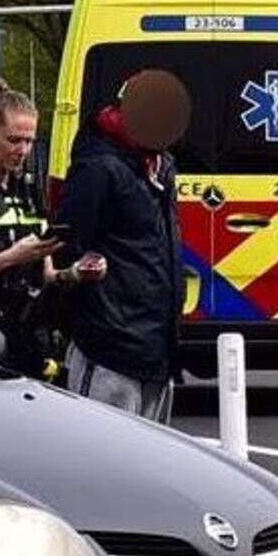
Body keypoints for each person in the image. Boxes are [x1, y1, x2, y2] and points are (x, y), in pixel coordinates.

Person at [54, 65, 188, 420]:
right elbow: (68, 243)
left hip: (156, 346)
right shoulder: (99, 167)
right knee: (98, 459)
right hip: (110, 347)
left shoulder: (160, 165)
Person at [0, 79, 78, 371]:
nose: (23, 150)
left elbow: (46, 275)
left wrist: (75, 274)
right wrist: (11, 257)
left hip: (30, 339)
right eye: (14, 140)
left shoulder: (28, 188)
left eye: (29, 141)